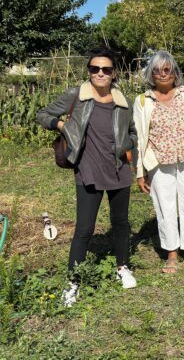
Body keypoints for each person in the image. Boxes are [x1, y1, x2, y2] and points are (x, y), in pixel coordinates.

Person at [36, 48, 137, 306]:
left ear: (114, 73)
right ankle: (73, 281)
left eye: (106, 69)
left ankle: (122, 267)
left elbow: (133, 131)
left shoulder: (122, 101)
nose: (100, 73)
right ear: (89, 71)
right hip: (88, 170)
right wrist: (62, 125)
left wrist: (129, 149)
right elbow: (42, 114)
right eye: (95, 69)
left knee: (121, 223)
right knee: (84, 229)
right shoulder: (76, 96)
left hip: (118, 170)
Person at [134, 51, 184, 274]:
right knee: (165, 206)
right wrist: (140, 172)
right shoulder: (142, 101)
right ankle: (172, 253)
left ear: (174, 72)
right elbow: (140, 139)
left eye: (167, 69)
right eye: (157, 70)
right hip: (159, 161)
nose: (162, 74)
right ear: (151, 74)